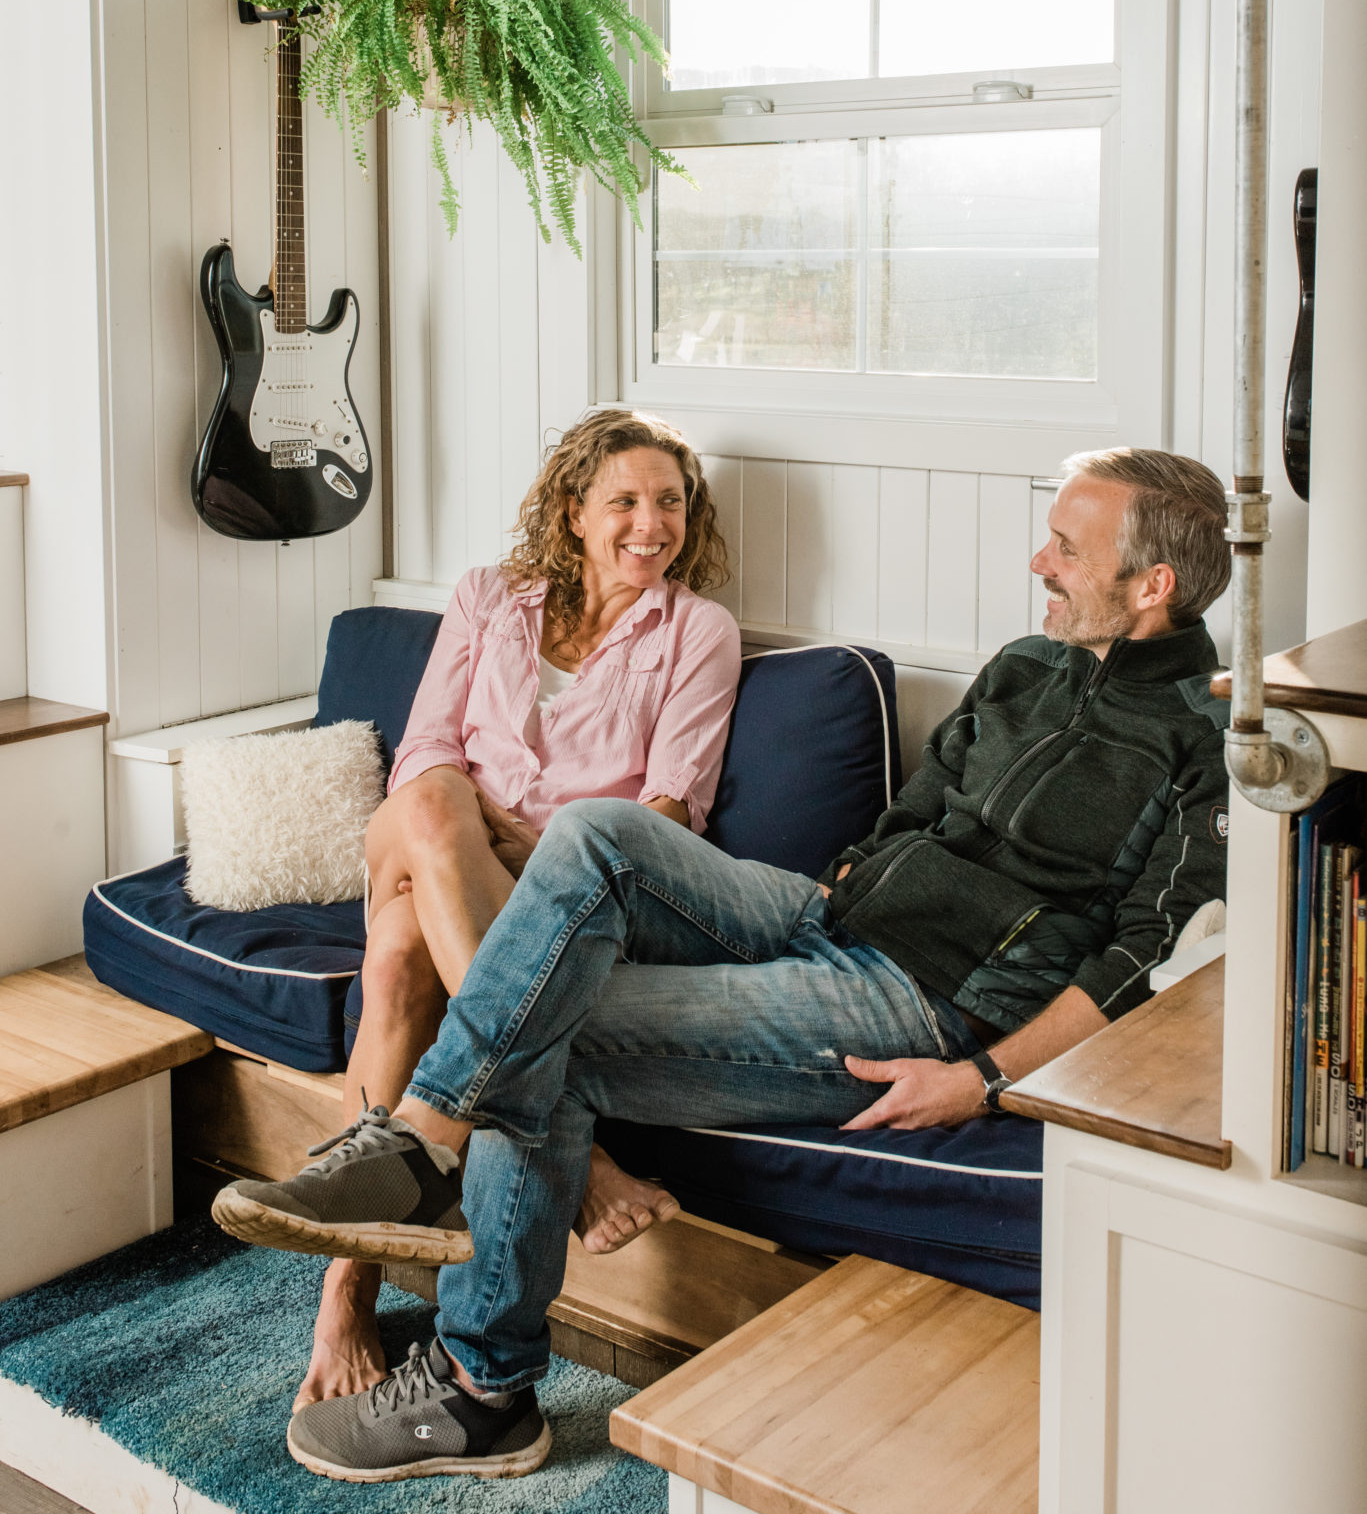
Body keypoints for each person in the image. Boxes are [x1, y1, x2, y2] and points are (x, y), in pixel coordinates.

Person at [216, 447, 1233, 1484]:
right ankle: (428, 1153)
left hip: (915, 999)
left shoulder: (1207, 738)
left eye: (1064, 546)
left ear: (1149, 584)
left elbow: (1138, 964)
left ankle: (479, 1383)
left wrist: (981, 1076)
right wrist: (836, 887)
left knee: (545, 1022)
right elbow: (912, 816)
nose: (1037, 560)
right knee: (596, 834)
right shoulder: (1024, 663)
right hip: (820, 913)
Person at [216, 407, 740, 1416]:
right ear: (573, 510)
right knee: (425, 799)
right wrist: (467, 824)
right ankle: (578, 1152)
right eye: (624, 500)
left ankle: (344, 1291)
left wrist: (530, 849)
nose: (651, 522)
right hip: (428, 832)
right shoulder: (489, 598)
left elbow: (670, 812)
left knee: (403, 945)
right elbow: (423, 749)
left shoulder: (696, 631)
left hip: (570, 890)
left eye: (669, 501)